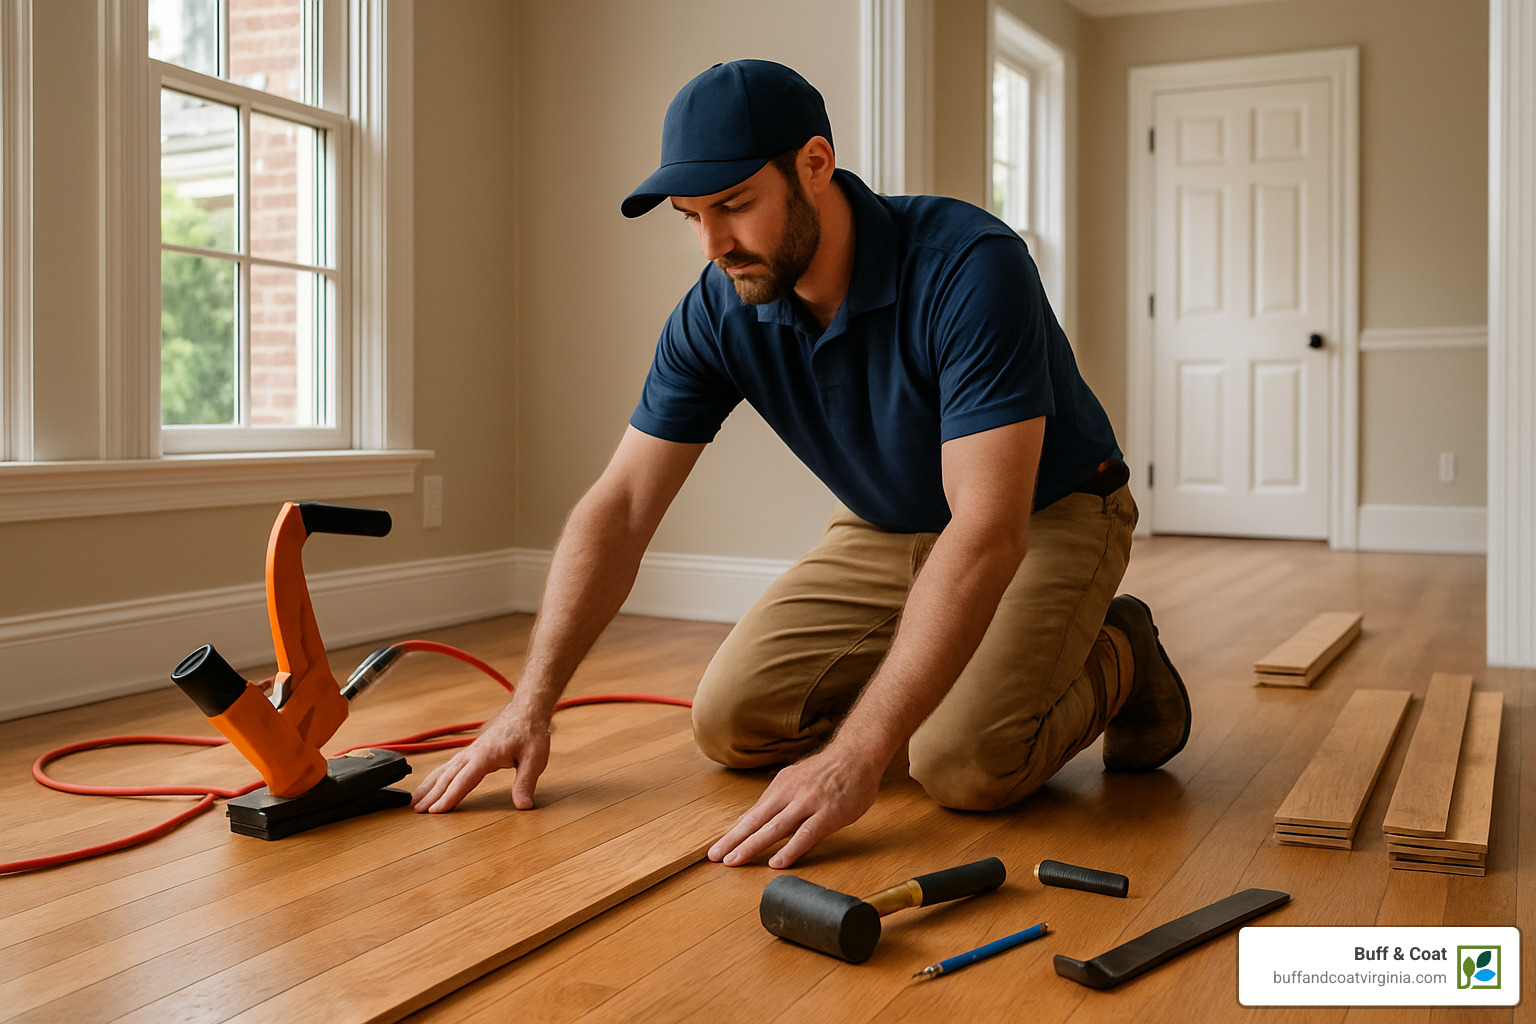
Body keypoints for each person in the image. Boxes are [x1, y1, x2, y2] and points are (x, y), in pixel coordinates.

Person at [410, 59, 1191, 869]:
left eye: (734, 205)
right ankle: (944, 673)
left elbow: (988, 531)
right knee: (730, 723)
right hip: (886, 523)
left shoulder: (970, 265)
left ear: (815, 164)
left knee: (964, 763)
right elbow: (624, 505)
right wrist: (529, 705)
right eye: (691, 216)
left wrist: (857, 755)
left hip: (1047, 512)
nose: (713, 245)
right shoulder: (719, 307)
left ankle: (1122, 650)